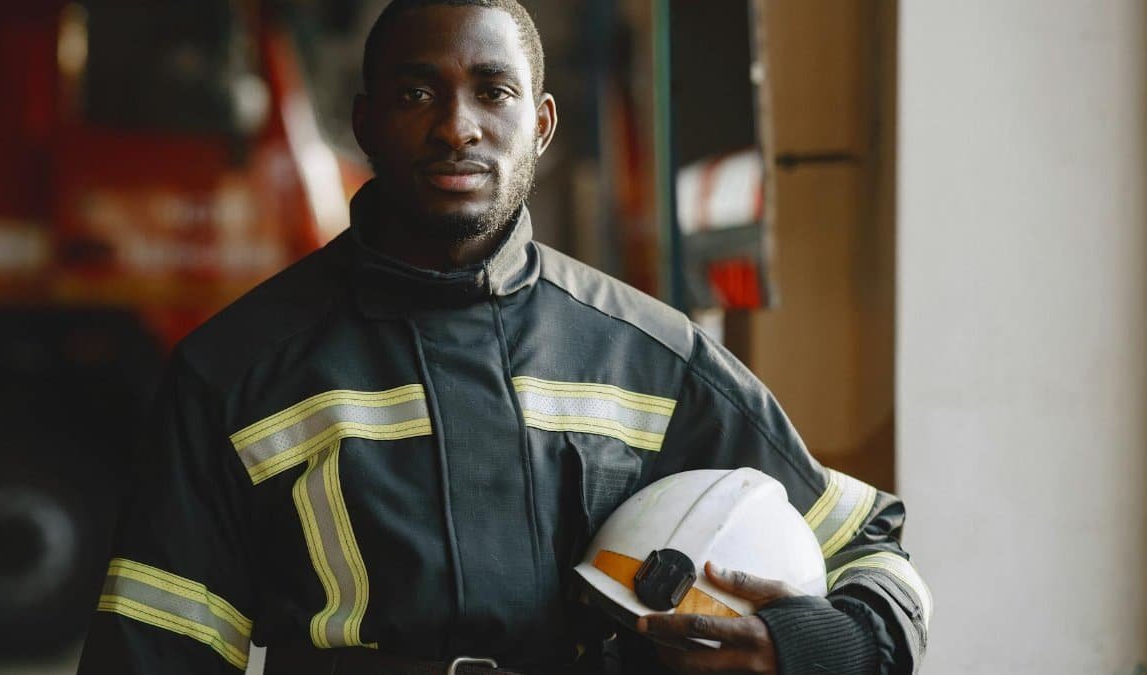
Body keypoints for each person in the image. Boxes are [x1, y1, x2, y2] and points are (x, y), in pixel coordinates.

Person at [77, 1, 930, 673]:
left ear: (543, 125)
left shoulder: (651, 356)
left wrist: (816, 647)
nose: (457, 126)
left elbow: (870, 548)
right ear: (365, 124)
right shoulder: (234, 372)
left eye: (494, 90)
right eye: (418, 93)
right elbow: (156, 647)